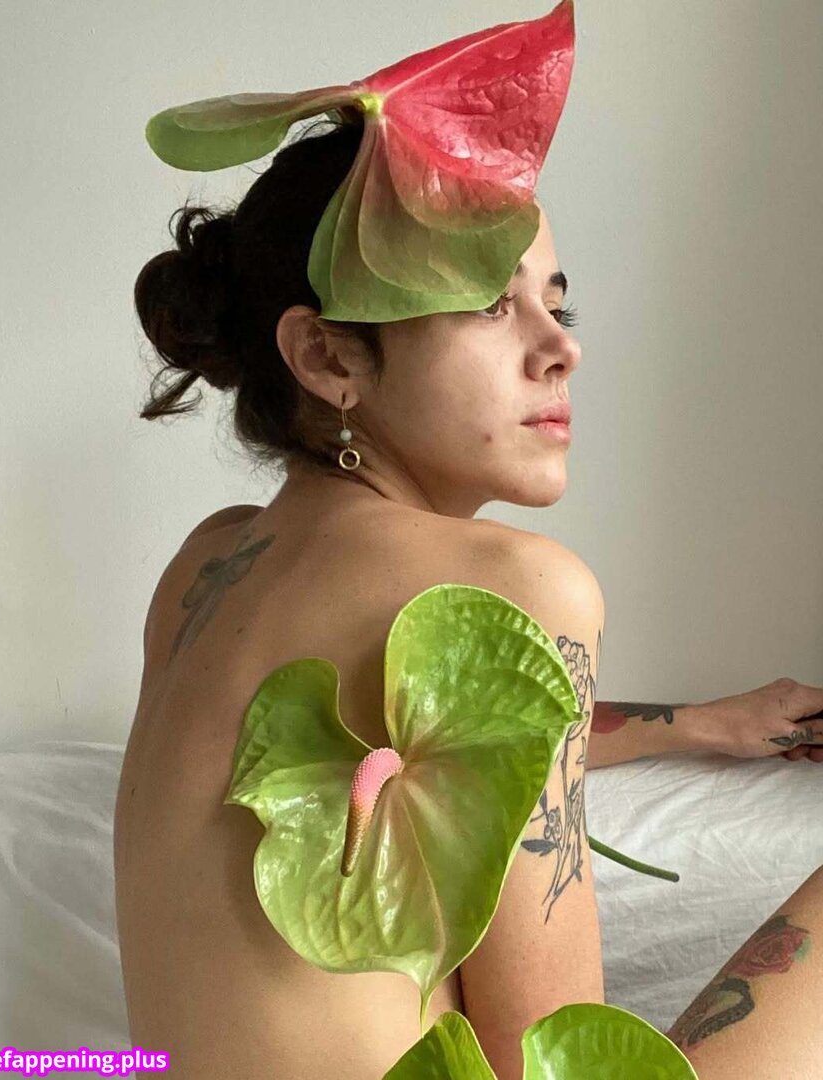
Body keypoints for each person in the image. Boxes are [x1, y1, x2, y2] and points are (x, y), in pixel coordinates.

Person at [116, 105, 823, 1080]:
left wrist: (699, 725)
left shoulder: (204, 567)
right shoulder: (516, 582)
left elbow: (429, 747)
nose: (561, 349)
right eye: (491, 306)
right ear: (328, 356)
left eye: (557, 307)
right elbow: (552, 1062)